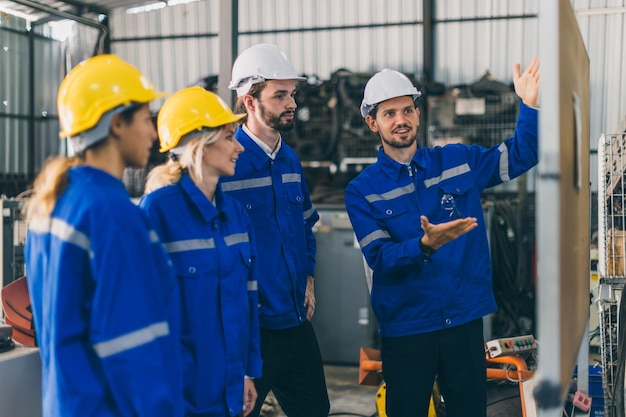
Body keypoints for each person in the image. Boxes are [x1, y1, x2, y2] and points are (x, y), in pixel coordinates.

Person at [344, 58, 540, 417]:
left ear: (418, 115)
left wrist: (530, 106)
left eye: (407, 110)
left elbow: (522, 153)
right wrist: (424, 246)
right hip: (407, 326)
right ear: (372, 123)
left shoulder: (458, 160)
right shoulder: (362, 191)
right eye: (389, 114)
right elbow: (380, 258)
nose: (400, 120)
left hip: (463, 320)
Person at [22, 54, 183, 417]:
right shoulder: (112, 215)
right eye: (145, 119)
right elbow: (132, 343)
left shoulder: (54, 202)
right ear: (116, 124)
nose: (154, 134)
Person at [138, 86, 262, 417]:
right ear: (201, 147)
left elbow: (247, 298)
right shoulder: (156, 212)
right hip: (179, 394)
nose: (239, 147)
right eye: (229, 137)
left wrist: (247, 371)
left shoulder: (236, 214)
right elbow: (141, 311)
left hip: (228, 390)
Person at [221, 43, 330, 417]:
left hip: (295, 321)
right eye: (279, 95)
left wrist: (309, 278)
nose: (291, 103)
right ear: (250, 101)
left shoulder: (289, 159)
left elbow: (304, 228)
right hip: (251, 328)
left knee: (315, 410)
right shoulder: (227, 162)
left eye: (292, 94)